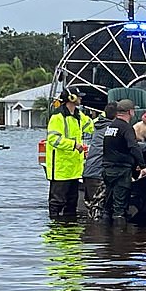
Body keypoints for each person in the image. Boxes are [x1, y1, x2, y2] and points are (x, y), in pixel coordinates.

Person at [46, 86, 95, 218]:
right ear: (71, 98)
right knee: (57, 202)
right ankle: (55, 229)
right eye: (78, 96)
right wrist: (74, 145)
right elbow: (53, 139)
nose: (81, 98)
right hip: (60, 169)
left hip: (74, 168)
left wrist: (105, 117)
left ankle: (70, 231)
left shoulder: (78, 115)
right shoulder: (58, 117)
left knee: (71, 203)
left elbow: (91, 126)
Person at [102, 99, 146, 220]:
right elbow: (133, 147)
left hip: (107, 169)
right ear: (130, 112)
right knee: (119, 208)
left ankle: (104, 236)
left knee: (107, 206)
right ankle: (120, 236)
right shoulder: (126, 128)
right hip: (121, 171)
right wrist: (143, 166)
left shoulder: (111, 127)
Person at [82, 102, 118, 220]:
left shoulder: (99, 126)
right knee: (97, 213)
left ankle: (91, 236)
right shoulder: (112, 129)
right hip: (98, 174)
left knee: (92, 211)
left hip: (89, 173)